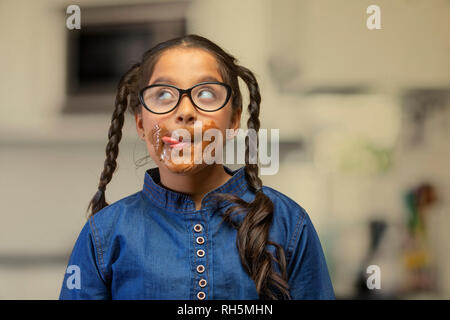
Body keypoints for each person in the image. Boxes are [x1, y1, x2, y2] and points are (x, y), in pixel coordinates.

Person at [59, 34, 335, 300]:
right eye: (163, 95)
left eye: (205, 93)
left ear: (234, 120)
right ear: (141, 124)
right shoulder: (104, 234)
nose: (185, 111)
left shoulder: (288, 222)